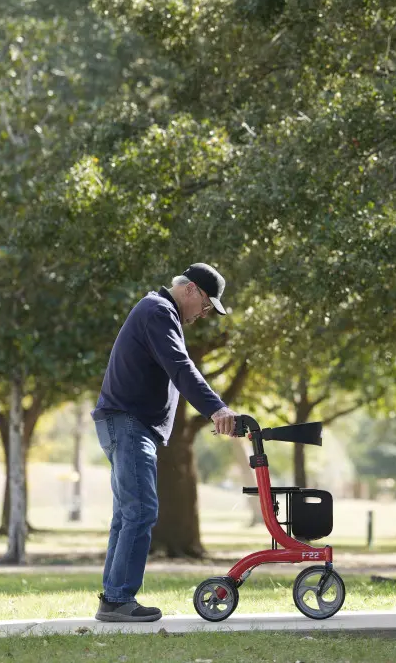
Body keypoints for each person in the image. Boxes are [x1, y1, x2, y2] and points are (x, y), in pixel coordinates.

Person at [92, 263, 239, 622]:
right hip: (128, 423)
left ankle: (114, 598)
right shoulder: (158, 311)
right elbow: (181, 366)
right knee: (141, 511)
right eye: (205, 305)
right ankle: (118, 600)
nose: (203, 315)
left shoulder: (157, 311)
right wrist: (216, 409)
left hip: (126, 423)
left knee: (127, 515)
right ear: (190, 289)